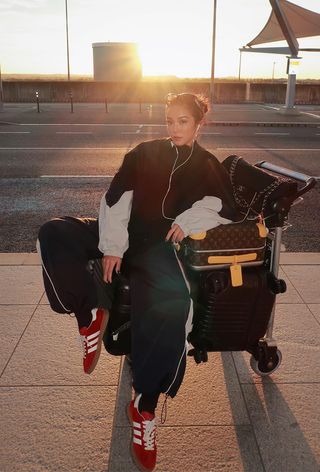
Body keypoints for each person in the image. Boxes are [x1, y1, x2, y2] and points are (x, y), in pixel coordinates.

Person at [36, 92, 237, 472]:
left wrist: (189, 220)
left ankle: (144, 407)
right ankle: (91, 314)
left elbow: (223, 207)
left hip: (156, 248)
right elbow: (116, 197)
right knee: (55, 233)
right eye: (170, 120)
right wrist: (111, 246)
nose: (174, 128)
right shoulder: (145, 152)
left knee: (172, 304)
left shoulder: (209, 165)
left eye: (183, 121)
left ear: (198, 124)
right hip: (123, 235)